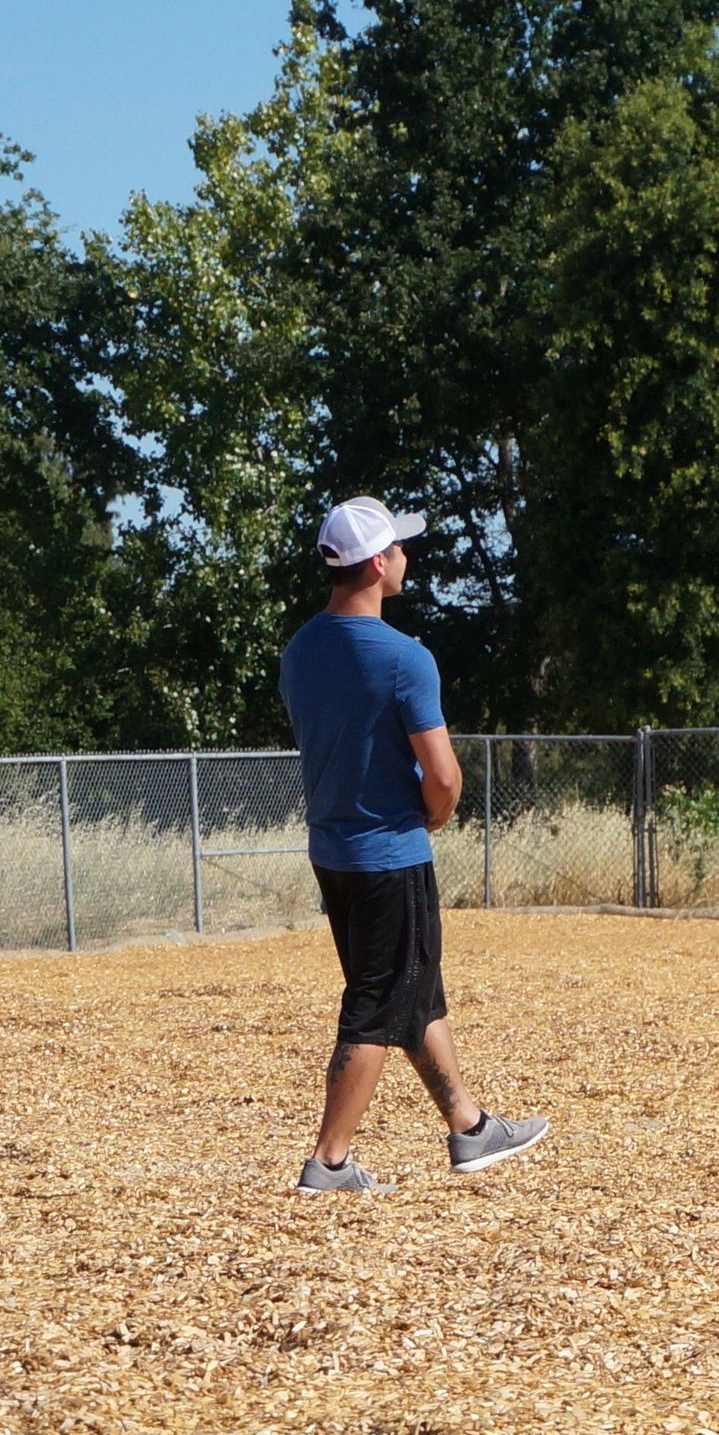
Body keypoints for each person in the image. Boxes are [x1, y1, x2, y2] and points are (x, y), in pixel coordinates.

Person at [281, 496, 546, 1193]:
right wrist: (434, 815)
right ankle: (328, 1163)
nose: (406, 556)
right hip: (390, 855)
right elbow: (445, 775)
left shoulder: (301, 649)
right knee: (375, 1002)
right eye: (398, 547)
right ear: (376, 563)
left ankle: (469, 1128)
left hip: (333, 851)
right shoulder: (405, 659)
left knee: (414, 989)